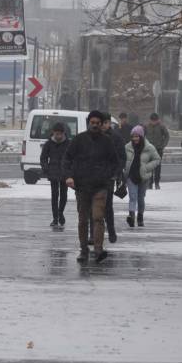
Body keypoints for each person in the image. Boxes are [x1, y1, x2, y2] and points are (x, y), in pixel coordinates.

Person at [63, 110, 120, 264]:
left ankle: (98, 249)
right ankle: (83, 250)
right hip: (81, 186)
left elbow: (115, 162)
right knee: (83, 220)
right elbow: (67, 158)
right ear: (89, 123)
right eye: (92, 123)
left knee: (98, 217)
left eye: (97, 123)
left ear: (101, 125)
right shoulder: (78, 140)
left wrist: (110, 176)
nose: (94, 125)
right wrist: (68, 176)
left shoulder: (107, 142)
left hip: (100, 186)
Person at [124, 125, 161, 227]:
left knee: (140, 198)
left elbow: (157, 159)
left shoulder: (149, 147)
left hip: (143, 177)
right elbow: (122, 159)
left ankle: (140, 217)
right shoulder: (127, 147)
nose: (135, 138)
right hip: (131, 176)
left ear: (142, 136)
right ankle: (131, 217)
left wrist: (147, 167)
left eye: (137, 136)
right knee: (132, 197)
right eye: (133, 136)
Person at [101, 115, 127, 243]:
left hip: (109, 176)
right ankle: (92, 234)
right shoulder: (91, 136)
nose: (104, 126)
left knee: (107, 205)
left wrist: (116, 173)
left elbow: (122, 157)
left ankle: (111, 230)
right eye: (102, 123)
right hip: (93, 176)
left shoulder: (116, 138)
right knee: (91, 206)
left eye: (106, 123)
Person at [39, 122, 70, 227]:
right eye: (56, 134)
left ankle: (60, 213)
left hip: (65, 173)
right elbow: (43, 157)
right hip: (52, 172)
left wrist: (70, 171)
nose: (58, 136)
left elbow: (72, 158)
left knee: (64, 195)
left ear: (63, 133)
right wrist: (46, 168)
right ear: (53, 133)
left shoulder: (68, 143)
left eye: (60, 134)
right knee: (54, 195)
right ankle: (55, 218)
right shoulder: (48, 144)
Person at [144, 113, 169, 189]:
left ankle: (157, 183)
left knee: (157, 167)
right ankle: (150, 183)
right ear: (150, 120)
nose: (154, 122)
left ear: (158, 120)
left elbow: (167, 136)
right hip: (149, 149)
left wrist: (163, 145)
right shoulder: (146, 127)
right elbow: (142, 136)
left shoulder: (161, 127)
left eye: (155, 120)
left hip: (158, 149)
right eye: (152, 120)